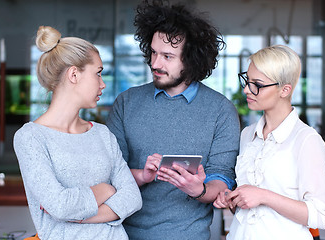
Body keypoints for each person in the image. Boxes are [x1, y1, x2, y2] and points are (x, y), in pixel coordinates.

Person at [105, 1, 240, 239]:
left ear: (191, 60)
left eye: (167, 56)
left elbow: (222, 177)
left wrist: (199, 190)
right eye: (154, 53)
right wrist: (143, 176)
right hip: (122, 235)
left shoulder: (221, 111)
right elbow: (110, 174)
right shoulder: (126, 103)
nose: (155, 64)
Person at [13, 26, 142, 240]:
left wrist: (82, 216)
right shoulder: (30, 138)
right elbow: (61, 206)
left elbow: (132, 198)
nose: (102, 84)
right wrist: (106, 189)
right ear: (74, 74)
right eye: (98, 74)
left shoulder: (102, 134)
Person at [213, 45, 325, 240]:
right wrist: (233, 199)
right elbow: (250, 211)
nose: (246, 90)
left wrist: (263, 196)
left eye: (257, 85)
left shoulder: (306, 140)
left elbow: (321, 215)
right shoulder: (247, 135)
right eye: (247, 81)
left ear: (285, 90)